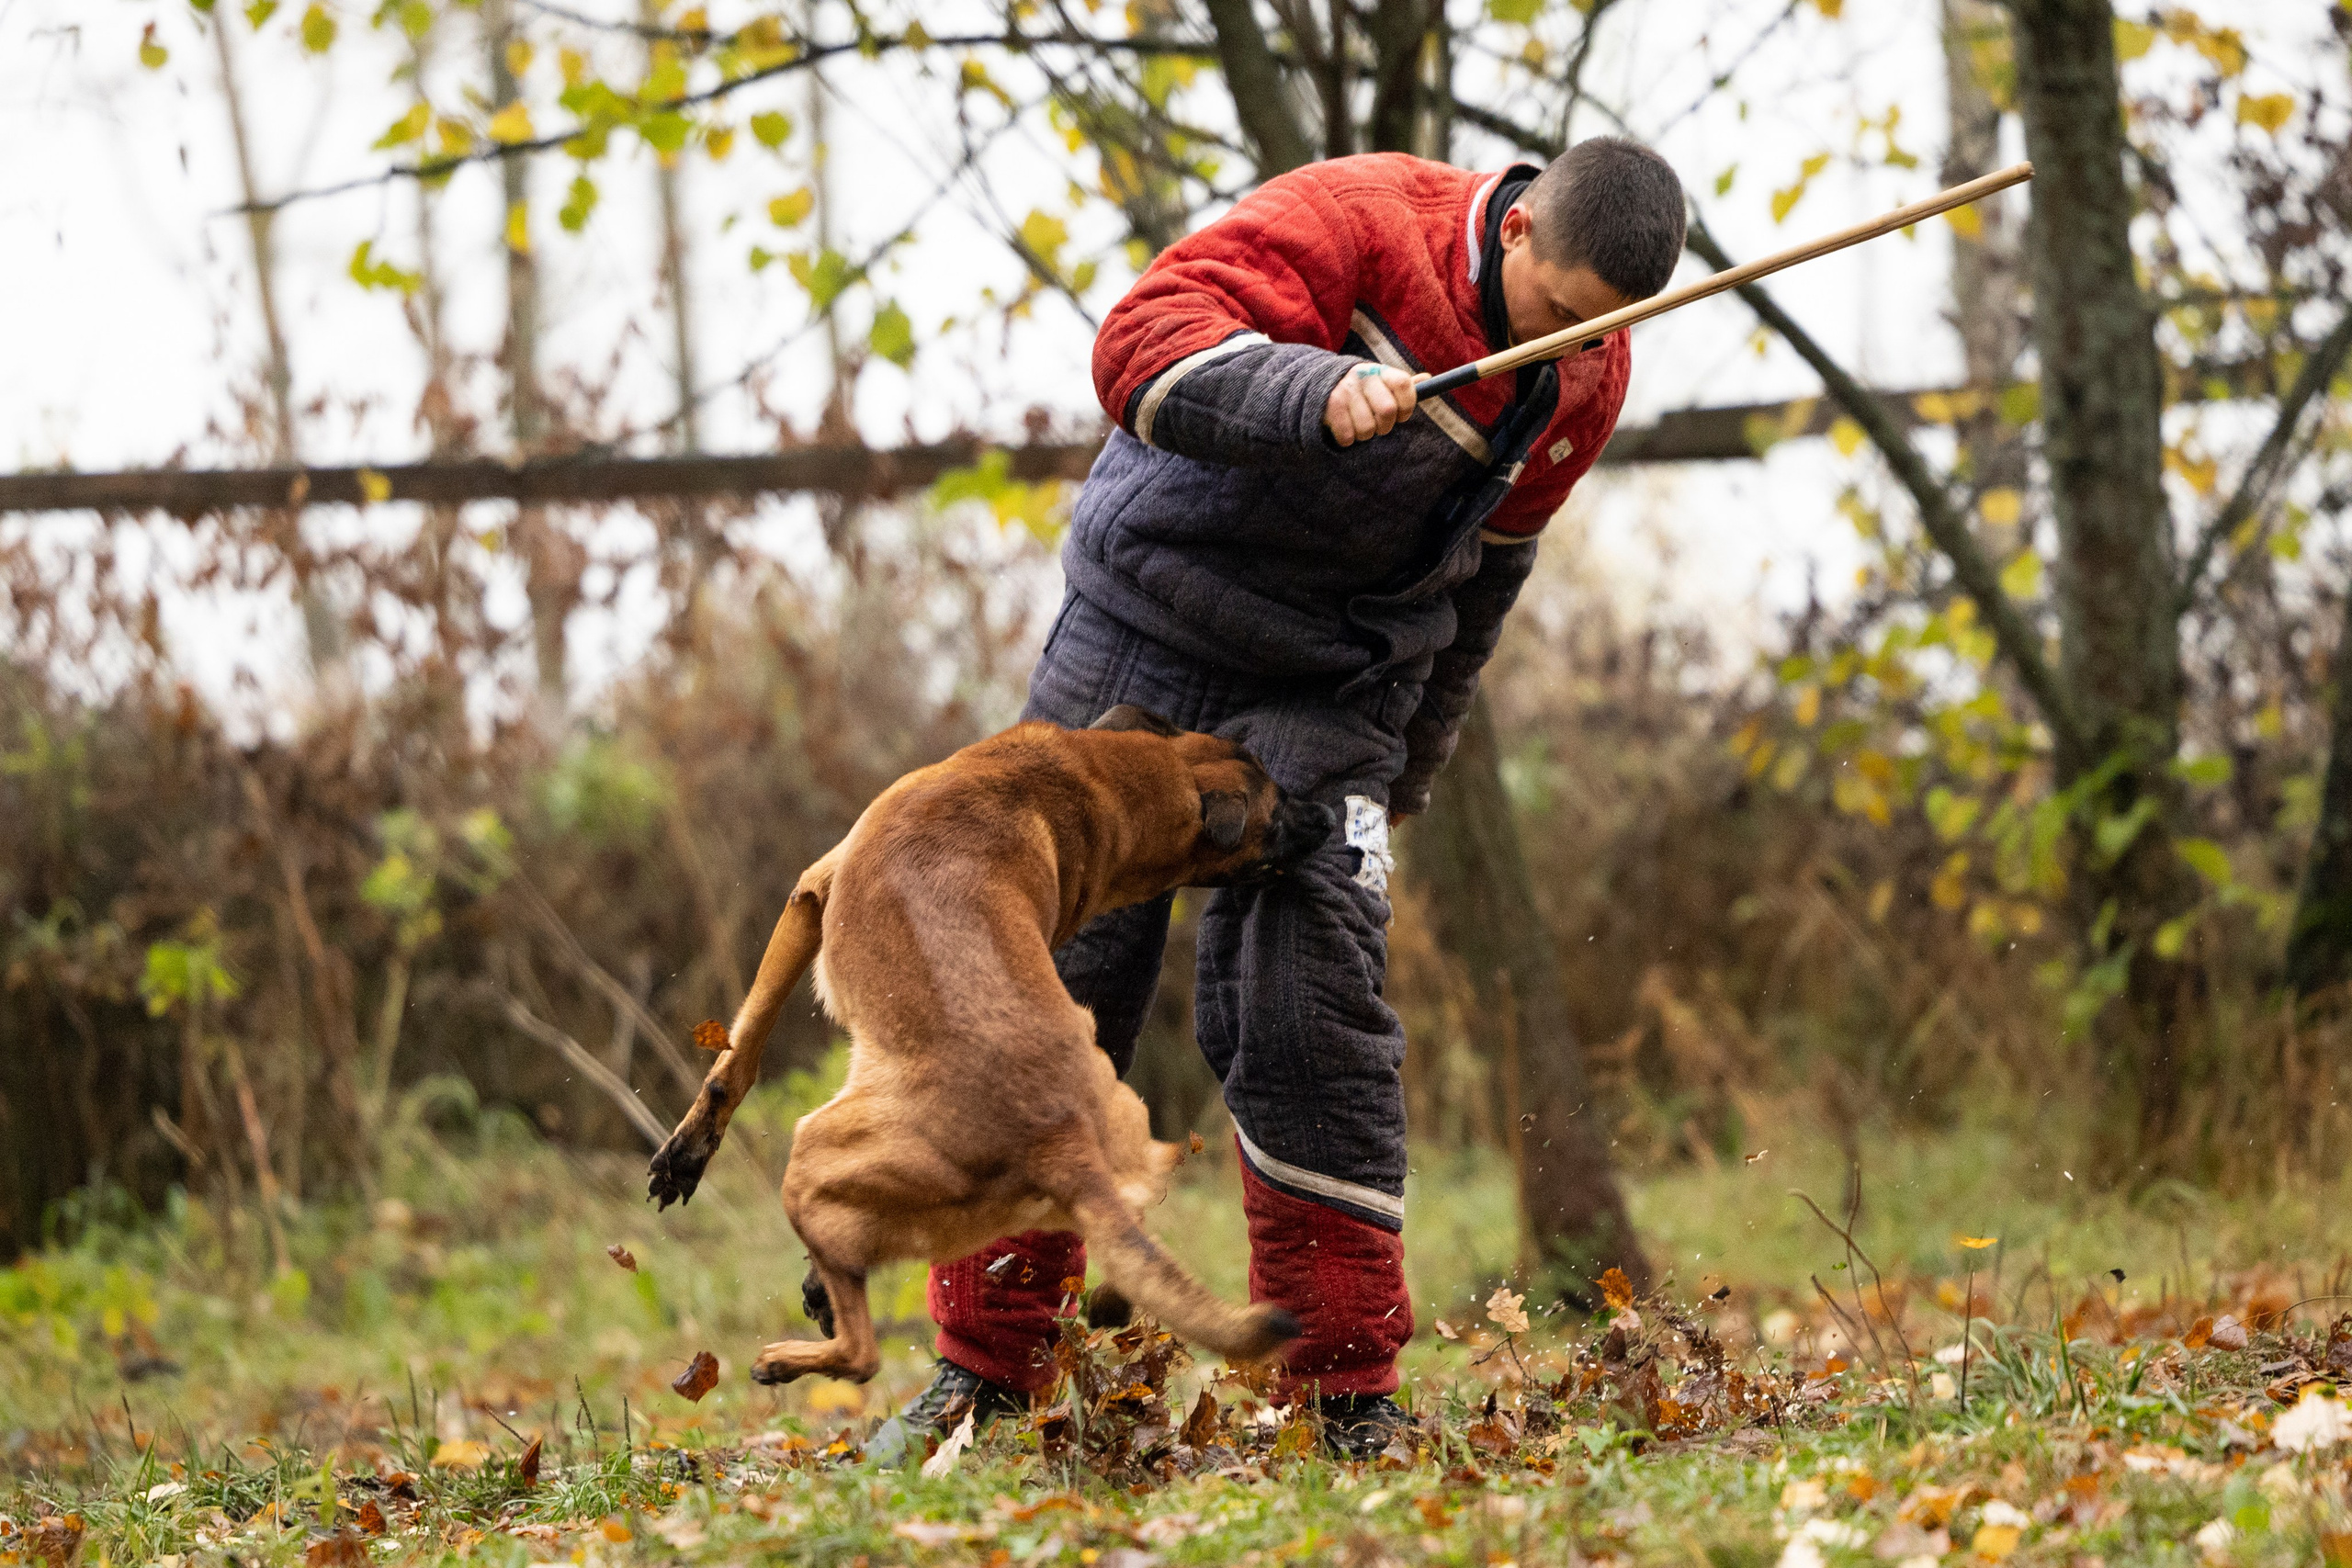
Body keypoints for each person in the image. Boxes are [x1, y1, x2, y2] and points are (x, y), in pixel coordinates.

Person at [874, 137, 1686, 1460]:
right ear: (1522, 229)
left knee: (1316, 1006)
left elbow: (1485, 584)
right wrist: (1313, 389)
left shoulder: (1587, 368)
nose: (1573, 352)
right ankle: (984, 1377)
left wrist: (1407, 768)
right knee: (1051, 989)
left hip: (1337, 691)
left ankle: (1344, 1396)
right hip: (1150, 624)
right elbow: (1142, 342)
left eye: (1606, 331)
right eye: (1562, 313)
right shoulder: (1361, 219)